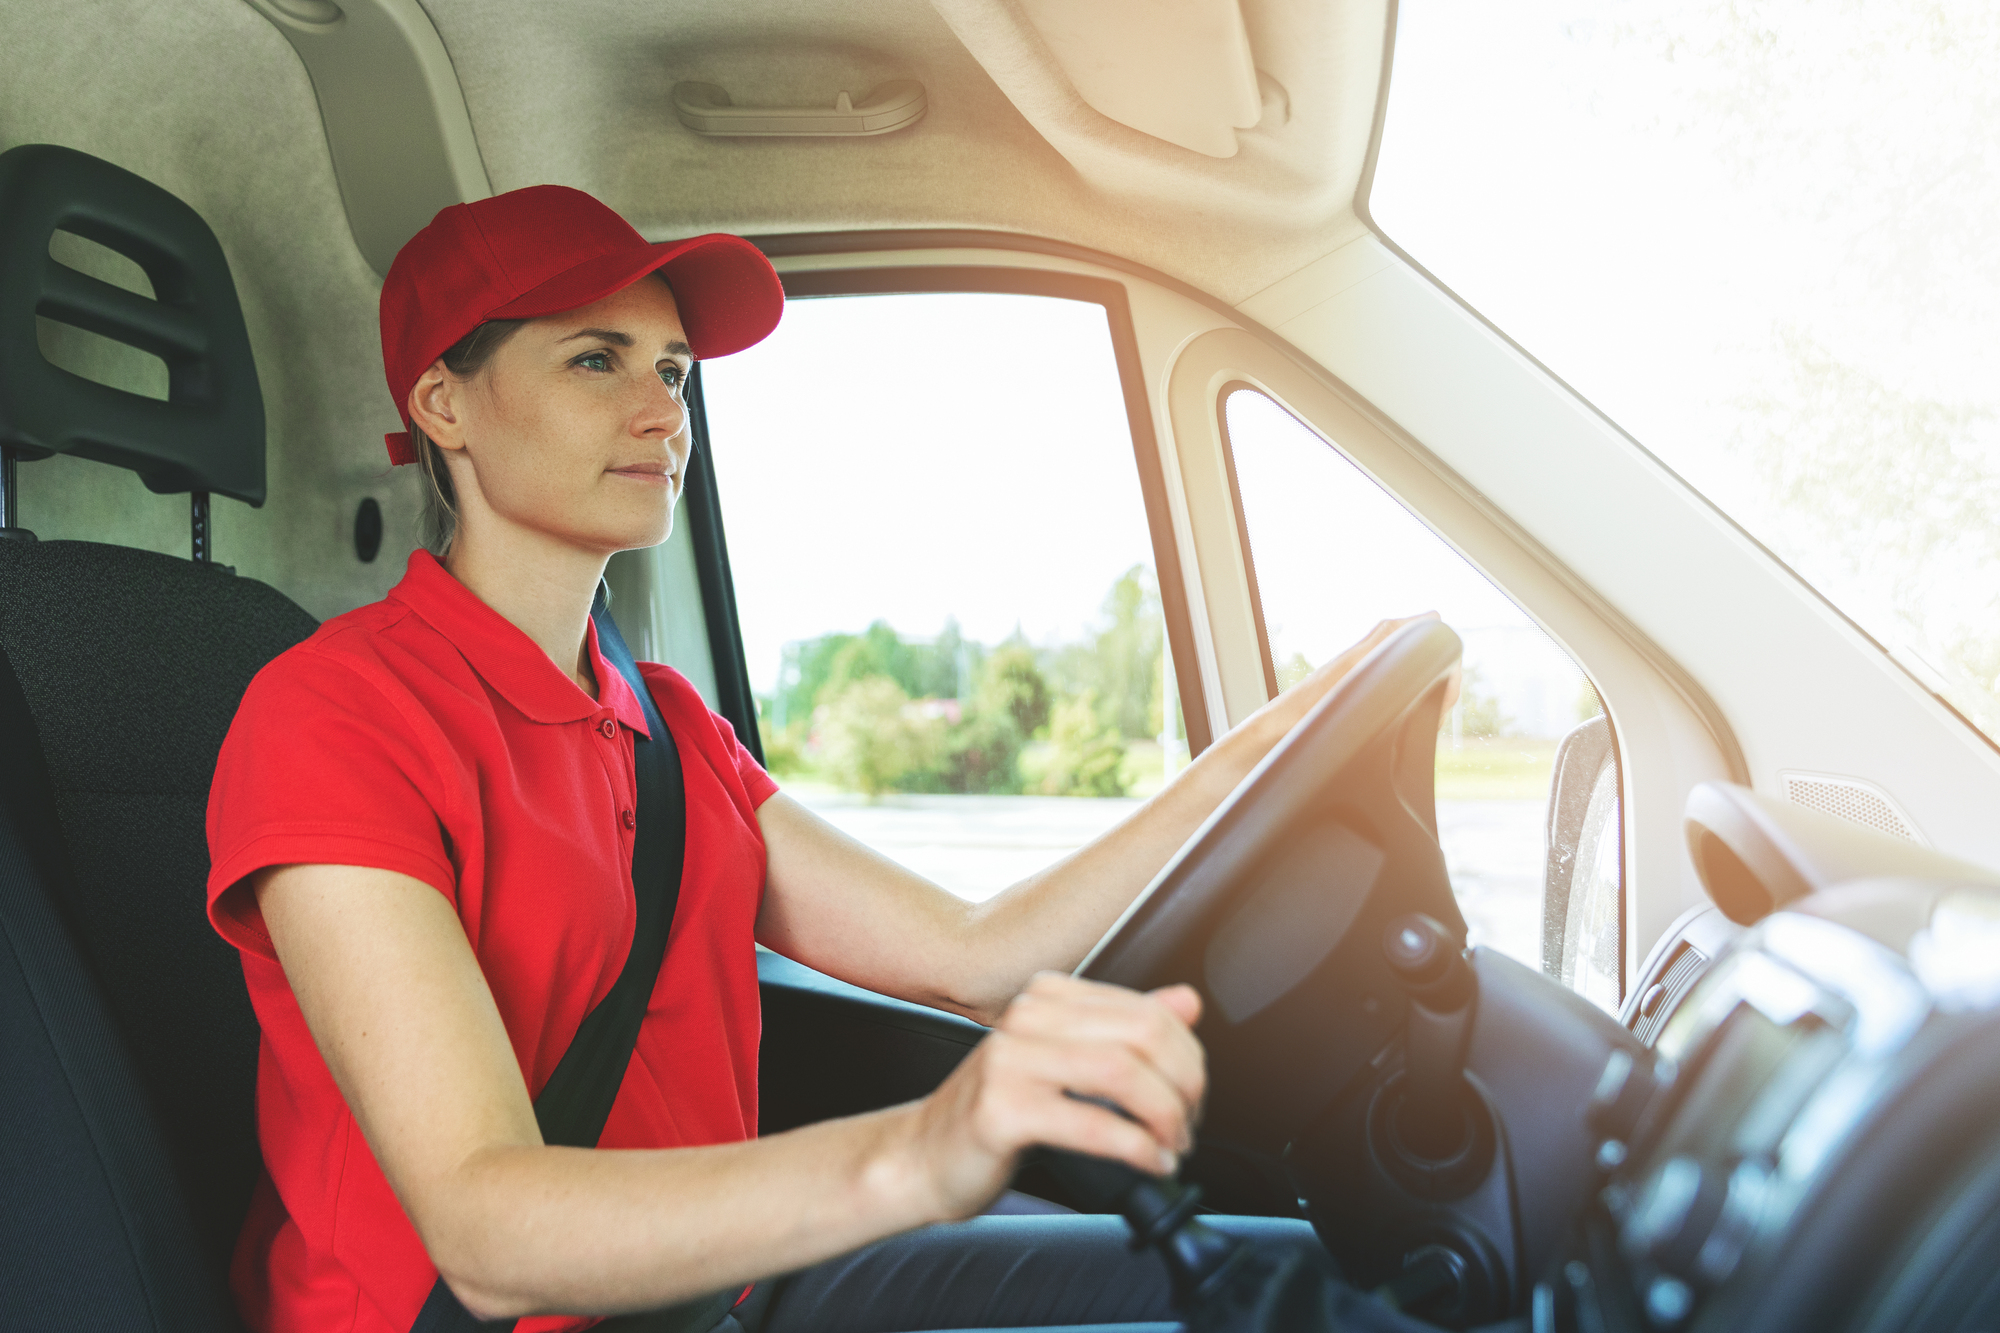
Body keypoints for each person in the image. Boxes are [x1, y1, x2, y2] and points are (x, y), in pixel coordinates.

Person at [205, 183, 1427, 1333]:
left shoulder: (668, 722)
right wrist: (922, 1150)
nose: (661, 410)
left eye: (673, 371)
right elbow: (481, 1225)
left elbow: (976, 953)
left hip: (717, 1292)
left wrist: (1279, 743)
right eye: (596, 360)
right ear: (442, 405)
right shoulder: (333, 716)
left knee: (1328, 1282)